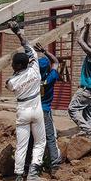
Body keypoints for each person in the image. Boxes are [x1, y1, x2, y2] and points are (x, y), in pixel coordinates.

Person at [5, 21, 47, 181]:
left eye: (13, 64)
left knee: (22, 145)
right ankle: (34, 172)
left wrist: (16, 71)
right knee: (40, 141)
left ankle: (19, 178)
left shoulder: (11, 82)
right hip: (37, 110)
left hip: (22, 112)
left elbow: (11, 80)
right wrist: (18, 32)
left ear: (17, 66)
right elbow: (29, 48)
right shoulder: (34, 70)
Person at [34, 42, 62, 173]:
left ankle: (32, 166)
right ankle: (54, 165)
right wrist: (44, 51)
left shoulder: (31, 80)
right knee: (51, 137)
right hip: (45, 111)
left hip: (32, 111)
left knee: (33, 139)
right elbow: (56, 62)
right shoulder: (51, 77)